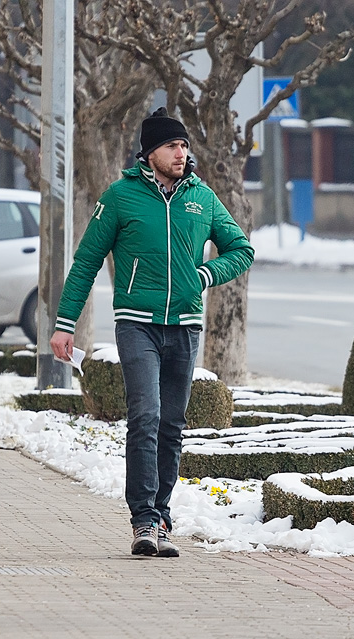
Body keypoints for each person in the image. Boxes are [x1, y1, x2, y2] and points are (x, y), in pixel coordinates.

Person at [50, 108, 254, 558]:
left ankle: (161, 517)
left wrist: (205, 275)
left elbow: (242, 249)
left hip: (185, 326)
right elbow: (86, 261)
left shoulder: (201, 198)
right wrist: (65, 325)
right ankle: (142, 519)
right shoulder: (121, 197)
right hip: (137, 323)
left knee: (171, 425)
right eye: (171, 146)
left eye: (183, 146)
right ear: (150, 153)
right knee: (145, 415)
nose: (181, 153)